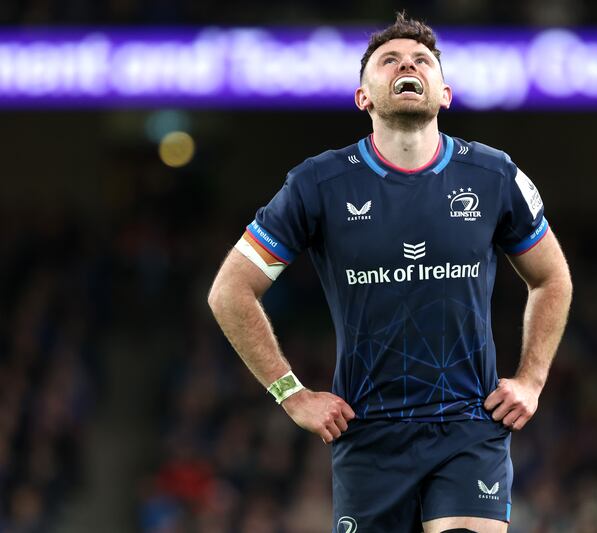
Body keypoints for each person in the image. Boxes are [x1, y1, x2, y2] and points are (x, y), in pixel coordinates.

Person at [208, 12, 572, 533]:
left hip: (469, 424)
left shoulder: (494, 175)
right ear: (364, 97)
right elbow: (230, 291)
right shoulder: (318, 184)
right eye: (390, 60)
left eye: (422, 60)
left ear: (444, 93)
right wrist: (292, 394)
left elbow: (552, 277)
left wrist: (532, 379)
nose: (408, 65)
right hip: (369, 432)